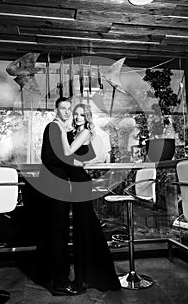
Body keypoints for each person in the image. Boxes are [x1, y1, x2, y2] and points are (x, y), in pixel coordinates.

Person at [59, 103, 121, 292]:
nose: (78, 117)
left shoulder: (84, 133)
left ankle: (90, 277)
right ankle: (85, 275)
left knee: (86, 228)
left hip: (80, 183)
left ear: (87, 118)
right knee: (82, 229)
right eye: (76, 114)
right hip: (75, 182)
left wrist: (60, 130)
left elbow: (67, 152)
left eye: (81, 115)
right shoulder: (75, 133)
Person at [38, 97, 85, 296]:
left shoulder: (63, 130)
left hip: (58, 186)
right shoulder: (53, 127)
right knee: (59, 232)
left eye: (69, 109)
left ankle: (57, 278)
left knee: (59, 231)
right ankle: (60, 283)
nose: (66, 112)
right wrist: (73, 162)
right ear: (56, 110)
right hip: (55, 186)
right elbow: (48, 156)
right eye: (63, 108)